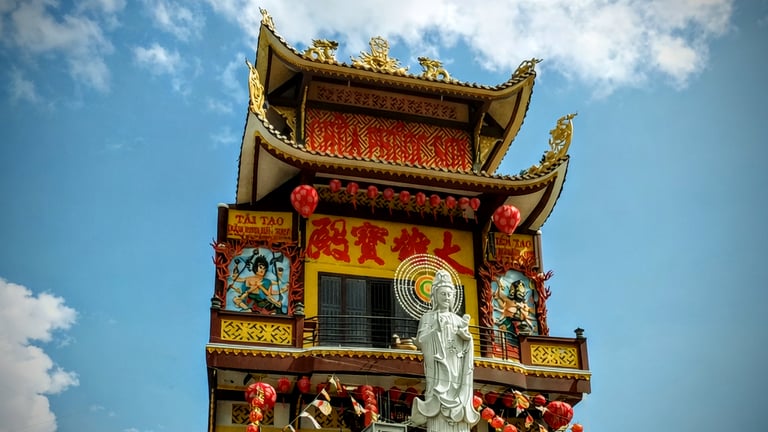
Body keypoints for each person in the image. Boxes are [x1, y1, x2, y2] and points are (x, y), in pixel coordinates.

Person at [411, 269, 480, 432]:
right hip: (438, 367)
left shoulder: (457, 319)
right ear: (435, 296)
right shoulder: (428, 317)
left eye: (449, 294)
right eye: (443, 294)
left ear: (453, 297)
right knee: (438, 392)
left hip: (455, 363)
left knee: (458, 387)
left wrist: (466, 337)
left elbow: (467, 343)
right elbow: (421, 341)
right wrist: (435, 332)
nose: (446, 298)